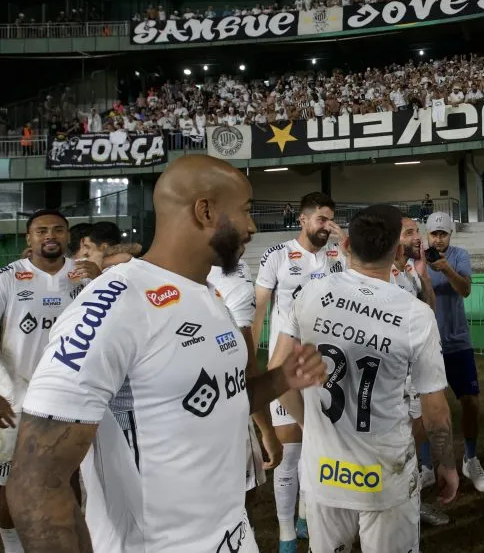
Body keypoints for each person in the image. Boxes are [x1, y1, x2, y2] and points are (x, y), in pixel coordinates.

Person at [7, 155, 326, 552]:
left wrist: (281, 379)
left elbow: (220, 400)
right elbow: (36, 480)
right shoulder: (113, 304)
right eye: (245, 211)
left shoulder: (209, 296)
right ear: (205, 211)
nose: (251, 226)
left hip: (234, 536)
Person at [272, 204, 458, 553]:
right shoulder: (415, 314)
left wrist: (311, 426)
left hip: (323, 473)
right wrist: (446, 463)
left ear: (345, 247)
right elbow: (434, 409)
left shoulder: (308, 295)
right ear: (397, 251)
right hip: (385, 477)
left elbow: (280, 374)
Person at [253, 191, 346, 553]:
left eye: (331, 219)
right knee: (290, 455)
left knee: (317, 450)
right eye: (321, 219)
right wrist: (253, 355)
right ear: (303, 219)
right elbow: (259, 309)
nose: (327, 226)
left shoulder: (339, 255)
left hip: (326, 371)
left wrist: (347, 246)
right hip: (286, 372)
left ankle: (307, 514)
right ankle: (286, 534)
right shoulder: (276, 256)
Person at [0, 209, 97, 553]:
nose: (50, 236)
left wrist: (100, 279)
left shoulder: (87, 277)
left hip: (71, 400)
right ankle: (12, 546)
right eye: (41, 231)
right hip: (14, 400)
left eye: (57, 229)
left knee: (66, 479)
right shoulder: (8, 278)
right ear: (29, 239)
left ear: (68, 235)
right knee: (8, 483)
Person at [423, 211, 484, 492]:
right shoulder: (417, 259)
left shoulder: (459, 255)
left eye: (443, 234)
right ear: (427, 234)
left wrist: (446, 269)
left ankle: (470, 458)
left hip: (457, 342)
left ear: (450, 235)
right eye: (434, 234)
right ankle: (428, 465)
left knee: (471, 402)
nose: (439, 239)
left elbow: (465, 290)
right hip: (427, 345)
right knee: (428, 409)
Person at [208, 256, 281, 517]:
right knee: (239, 505)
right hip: (226, 418)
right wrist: (267, 431)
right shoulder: (233, 285)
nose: (250, 227)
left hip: (177, 430)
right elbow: (246, 366)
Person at [390, 217, 448, 528]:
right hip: (395, 375)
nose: (419, 239)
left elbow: (429, 309)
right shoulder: (384, 274)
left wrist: (424, 275)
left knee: (412, 440)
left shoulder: (411, 269)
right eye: (410, 233)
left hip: (414, 371)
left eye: (417, 232)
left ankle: (411, 504)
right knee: (401, 442)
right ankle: (401, 505)